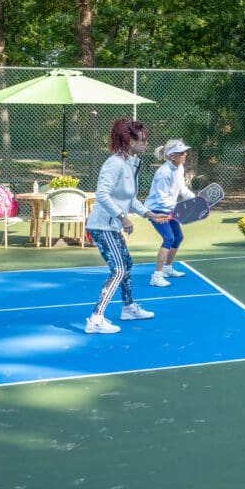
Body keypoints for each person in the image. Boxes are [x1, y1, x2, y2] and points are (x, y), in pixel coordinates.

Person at [84, 119, 170, 334]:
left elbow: (129, 198)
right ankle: (96, 319)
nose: (146, 143)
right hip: (102, 226)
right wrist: (122, 217)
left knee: (127, 264)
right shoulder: (114, 164)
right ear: (129, 140)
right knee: (119, 269)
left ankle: (129, 308)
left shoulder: (131, 164)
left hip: (112, 225)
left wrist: (149, 214)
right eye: (142, 139)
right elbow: (102, 194)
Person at [145, 139, 196, 287]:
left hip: (170, 208)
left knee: (178, 237)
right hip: (157, 210)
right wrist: (181, 206)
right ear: (171, 156)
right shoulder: (163, 173)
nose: (185, 154)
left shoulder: (179, 168)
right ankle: (156, 276)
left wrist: (194, 200)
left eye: (185, 152)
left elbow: (182, 189)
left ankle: (167, 268)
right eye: (181, 153)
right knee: (168, 238)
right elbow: (161, 200)